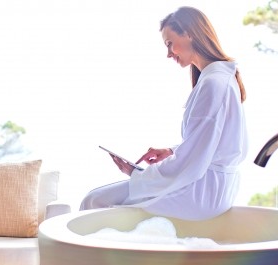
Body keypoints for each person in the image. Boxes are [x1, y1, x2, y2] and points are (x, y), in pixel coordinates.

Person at [79, 6, 248, 221]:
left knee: (93, 201)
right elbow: (211, 144)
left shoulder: (213, 83)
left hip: (201, 192)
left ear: (189, 33)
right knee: (99, 200)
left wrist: (138, 175)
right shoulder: (220, 78)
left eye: (169, 43)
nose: (168, 54)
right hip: (215, 189)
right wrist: (171, 151)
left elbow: (191, 161)